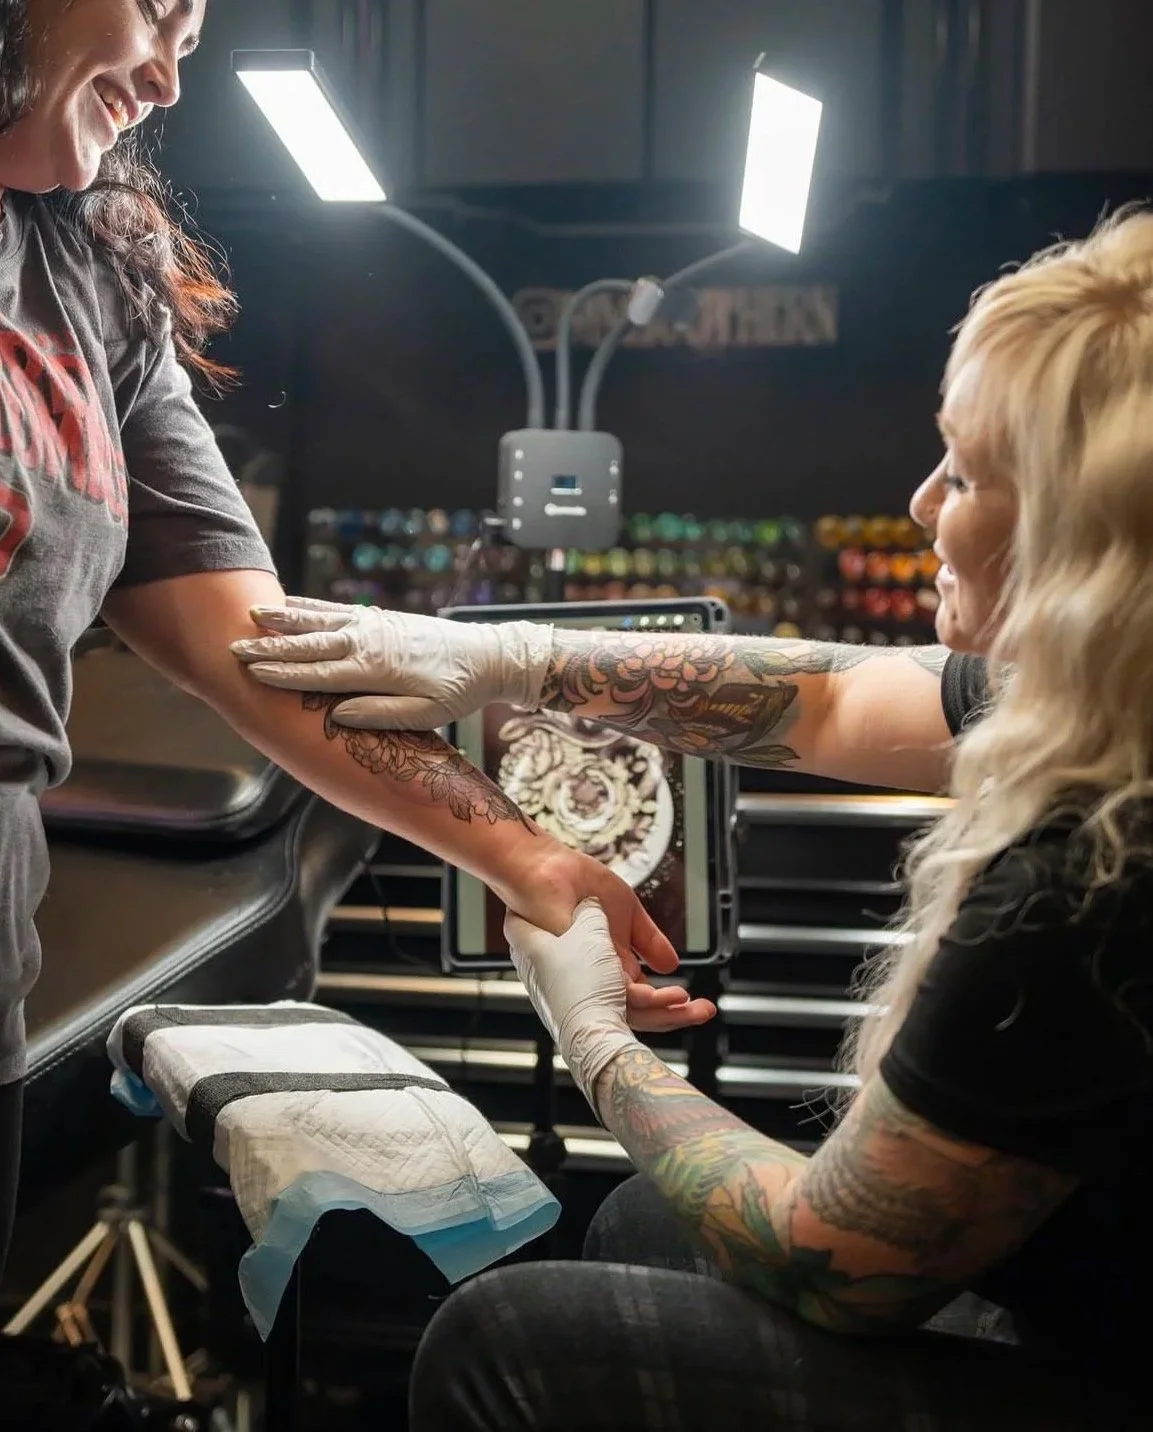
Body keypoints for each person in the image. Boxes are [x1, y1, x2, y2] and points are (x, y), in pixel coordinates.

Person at [238, 209, 1153, 1429]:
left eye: (970, 474)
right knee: (641, 1221)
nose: (924, 502)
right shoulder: (1110, 701)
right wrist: (507, 656)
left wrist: (598, 1040)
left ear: (1083, 547)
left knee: (500, 1345)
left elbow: (833, 1256)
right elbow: (830, 696)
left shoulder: (1080, 882)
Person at [0, 0, 712, 1288]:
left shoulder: (93, 287)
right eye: (156, 11)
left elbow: (262, 646)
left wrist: (528, 856)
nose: (166, 76)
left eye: (194, 40)